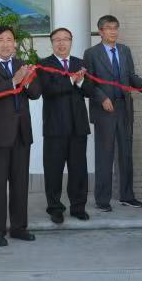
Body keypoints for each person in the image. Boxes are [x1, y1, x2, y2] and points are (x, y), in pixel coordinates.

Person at [0, 26, 42, 246]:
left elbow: (35, 94)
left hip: (21, 133)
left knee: (20, 184)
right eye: (1, 39)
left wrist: (27, 79)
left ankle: (19, 227)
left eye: (10, 39)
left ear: (15, 43)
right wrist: (14, 80)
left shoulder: (22, 64)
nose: (6, 44)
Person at [83, 15, 142, 211]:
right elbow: (88, 83)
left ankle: (127, 196)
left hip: (124, 108)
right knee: (104, 156)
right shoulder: (91, 53)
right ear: (101, 31)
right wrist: (102, 98)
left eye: (115, 27)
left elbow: (130, 76)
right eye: (108, 28)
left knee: (126, 154)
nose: (113, 31)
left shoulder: (124, 50)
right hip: (104, 110)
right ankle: (102, 200)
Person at [38, 27, 95, 223]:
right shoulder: (44, 64)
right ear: (52, 43)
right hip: (55, 127)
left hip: (78, 126)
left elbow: (90, 90)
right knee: (53, 170)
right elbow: (48, 90)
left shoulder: (80, 63)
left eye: (66, 39)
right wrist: (71, 79)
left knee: (78, 170)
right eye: (57, 40)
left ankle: (78, 207)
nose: (62, 43)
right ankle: (55, 209)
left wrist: (80, 82)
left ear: (71, 41)